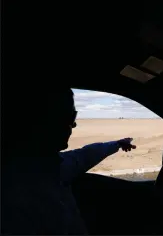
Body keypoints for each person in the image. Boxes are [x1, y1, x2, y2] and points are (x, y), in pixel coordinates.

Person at [1, 87, 136, 234]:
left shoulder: (50, 165)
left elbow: (84, 155)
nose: (74, 124)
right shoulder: (16, 195)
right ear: (45, 120)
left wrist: (117, 144)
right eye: (71, 117)